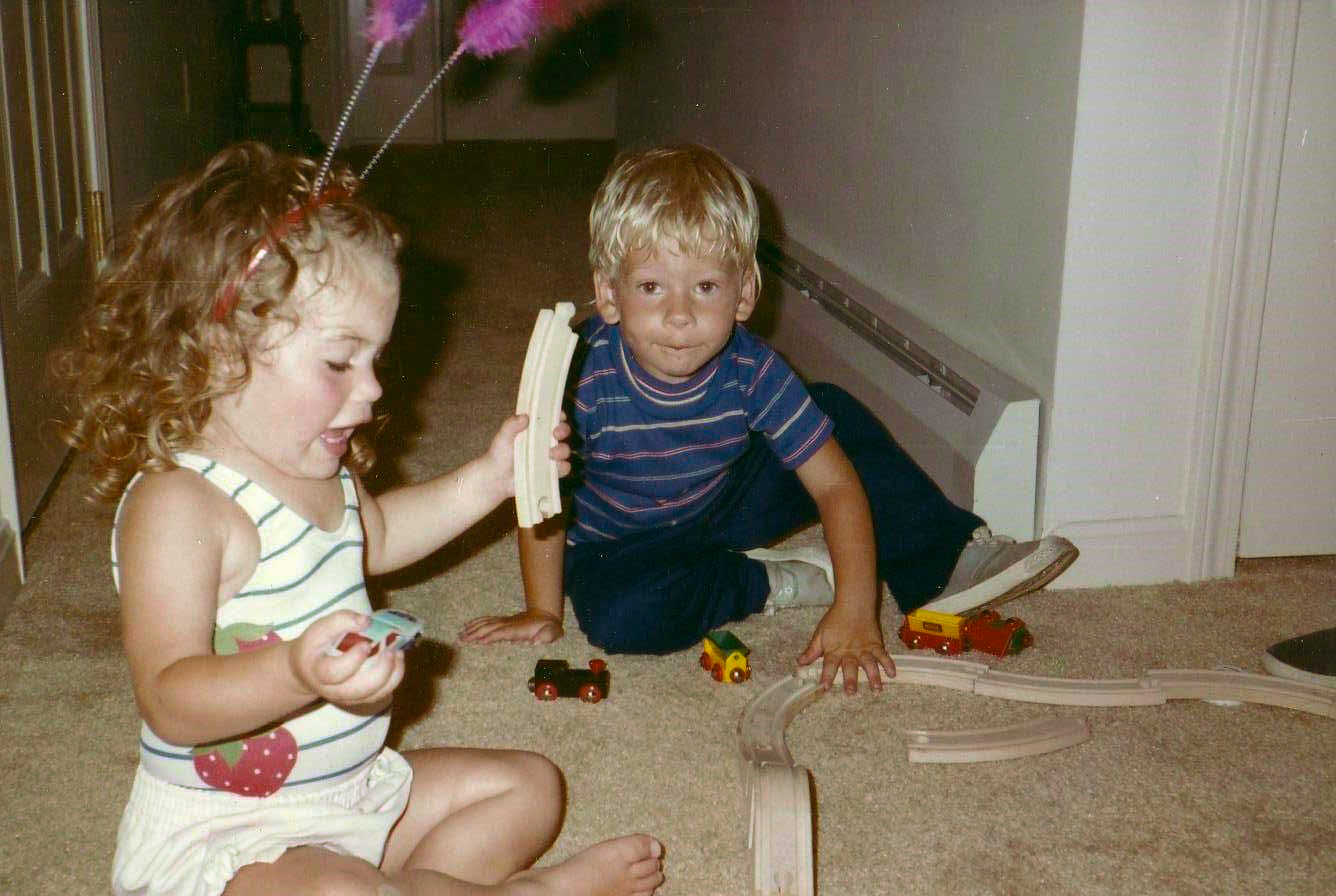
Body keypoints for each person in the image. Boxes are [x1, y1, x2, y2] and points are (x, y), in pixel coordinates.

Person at [53, 142, 663, 896]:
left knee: (531, 788)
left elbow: (374, 537)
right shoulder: (177, 505)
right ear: (219, 348)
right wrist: (296, 674)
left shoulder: (317, 467)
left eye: (374, 359)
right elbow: (171, 698)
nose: (373, 389)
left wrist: (488, 480)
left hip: (351, 795)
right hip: (236, 841)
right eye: (341, 361)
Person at [461, 144, 1077, 693]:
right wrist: (543, 610)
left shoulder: (753, 369)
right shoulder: (582, 375)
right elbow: (540, 497)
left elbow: (834, 485)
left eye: (705, 287)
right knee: (620, 618)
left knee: (831, 414)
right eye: (651, 287)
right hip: (621, 544)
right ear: (607, 294)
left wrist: (859, 607)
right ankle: (766, 582)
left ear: (746, 294)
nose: (679, 315)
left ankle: (945, 558)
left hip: (725, 499)